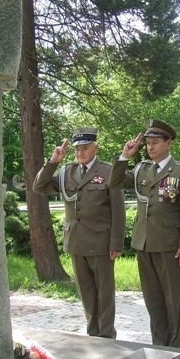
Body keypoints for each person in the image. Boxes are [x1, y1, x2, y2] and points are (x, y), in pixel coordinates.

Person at [108, 119, 180, 348]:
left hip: (170, 246)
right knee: (153, 300)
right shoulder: (142, 170)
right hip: (144, 243)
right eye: (148, 143)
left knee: (173, 301)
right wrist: (125, 156)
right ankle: (159, 345)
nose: (150, 147)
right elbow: (114, 181)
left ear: (168, 143)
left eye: (155, 142)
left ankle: (175, 348)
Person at [33, 127, 126, 338]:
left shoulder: (108, 171)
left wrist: (116, 244)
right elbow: (40, 186)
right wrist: (54, 160)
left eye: (85, 148)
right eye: (77, 149)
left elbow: (118, 210)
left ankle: (106, 335)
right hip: (76, 241)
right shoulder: (67, 171)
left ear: (96, 148)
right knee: (86, 293)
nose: (80, 153)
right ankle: (93, 334)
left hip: (101, 242)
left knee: (104, 293)